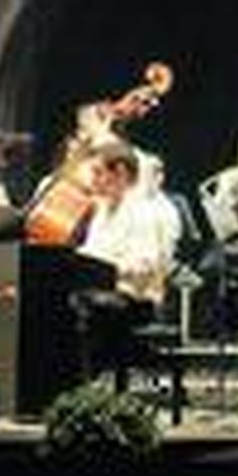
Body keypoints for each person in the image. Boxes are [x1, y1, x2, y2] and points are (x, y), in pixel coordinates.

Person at [70, 144, 178, 380]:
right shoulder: (102, 210)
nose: (93, 181)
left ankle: (83, 382)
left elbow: (146, 266)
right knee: (56, 304)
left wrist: (106, 269)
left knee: (81, 308)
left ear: (120, 173)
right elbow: (91, 252)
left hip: (135, 300)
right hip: (104, 293)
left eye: (98, 173)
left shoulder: (143, 212)